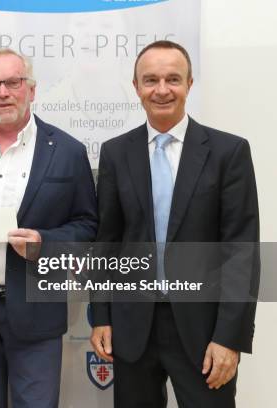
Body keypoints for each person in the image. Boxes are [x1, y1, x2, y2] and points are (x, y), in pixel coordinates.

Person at [90, 40, 259, 407]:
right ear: (136, 87)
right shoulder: (116, 153)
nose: (162, 90)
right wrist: (100, 314)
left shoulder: (228, 153)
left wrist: (229, 337)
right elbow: (108, 241)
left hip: (204, 333)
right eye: (150, 80)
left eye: (173, 79)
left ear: (189, 83)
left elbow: (241, 253)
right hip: (133, 328)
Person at [0, 48, 98, 407]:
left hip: (37, 310)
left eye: (13, 82)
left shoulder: (68, 151)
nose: (3, 92)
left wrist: (45, 241)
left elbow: (88, 227)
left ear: (32, 90)